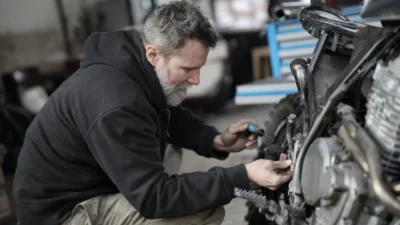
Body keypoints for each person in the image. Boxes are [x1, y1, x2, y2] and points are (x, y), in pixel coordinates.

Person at [12, 1, 292, 225]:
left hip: (80, 185)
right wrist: (245, 175)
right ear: (153, 53)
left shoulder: (134, 63)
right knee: (203, 211)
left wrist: (216, 141)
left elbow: (166, 110)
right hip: (62, 214)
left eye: (199, 68)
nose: (195, 80)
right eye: (187, 69)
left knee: (172, 152)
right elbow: (156, 198)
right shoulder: (117, 104)